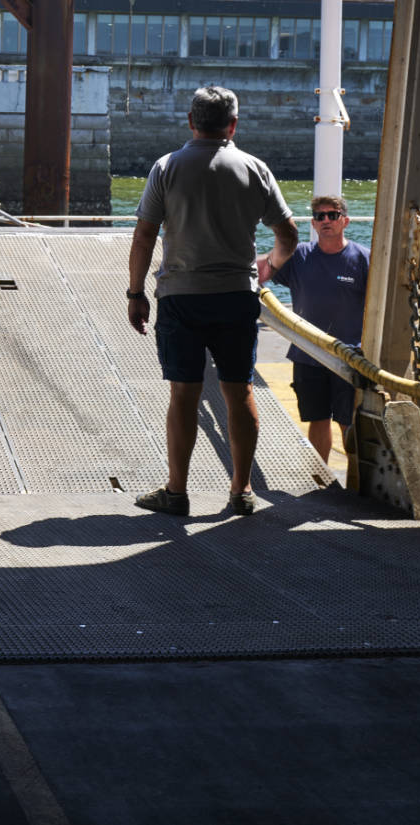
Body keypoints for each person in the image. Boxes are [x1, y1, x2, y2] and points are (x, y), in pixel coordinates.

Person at [127, 85, 299, 517]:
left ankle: (177, 492)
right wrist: (269, 268)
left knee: (183, 393)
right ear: (233, 125)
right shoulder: (254, 168)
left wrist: (135, 293)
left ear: (191, 121)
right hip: (237, 296)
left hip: (181, 296)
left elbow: (145, 235)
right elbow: (289, 235)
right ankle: (241, 491)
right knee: (238, 391)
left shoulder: (166, 167)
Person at [258, 194, 369, 461]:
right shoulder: (298, 257)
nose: (326, 221)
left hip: (350, 356)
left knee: (349, 421)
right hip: (307, 354)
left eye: (333, 215)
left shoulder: (364, 258)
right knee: (317, 419)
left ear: (346, 221)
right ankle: (322, 480)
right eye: (320, 216)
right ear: (313, 223)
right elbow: (263, 270)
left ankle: (356, 484)